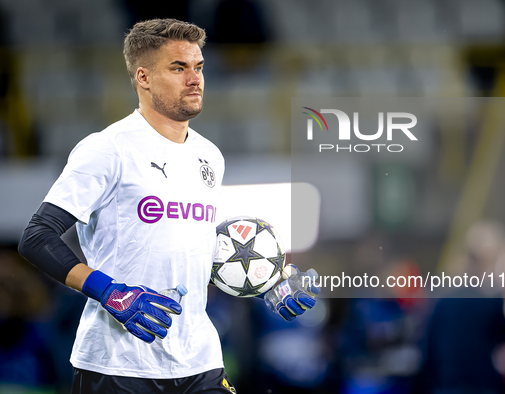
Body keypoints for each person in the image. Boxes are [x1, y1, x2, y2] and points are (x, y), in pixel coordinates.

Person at [18, 18, 319, 394]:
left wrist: (264, 281)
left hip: (199, 361)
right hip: (117, 365)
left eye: (199, 67)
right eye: (178, 68)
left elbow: (188, 252)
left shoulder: (210, 155)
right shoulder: (108, 148)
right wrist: (110, 291)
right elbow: (36, 238)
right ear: (143, 77)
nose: (195, 79)